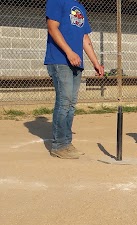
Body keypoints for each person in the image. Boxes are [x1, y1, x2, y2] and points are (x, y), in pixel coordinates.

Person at [44, 0, 104, 159]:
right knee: (64, 102)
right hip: (60, 60)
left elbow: (85, 38)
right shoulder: (56, 1)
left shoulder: (80, 7)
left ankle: (66, 143)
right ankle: (59, 145)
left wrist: (96, 63)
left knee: (71, 104)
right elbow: (52, 28)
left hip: (76, 62)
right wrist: (69, 52)